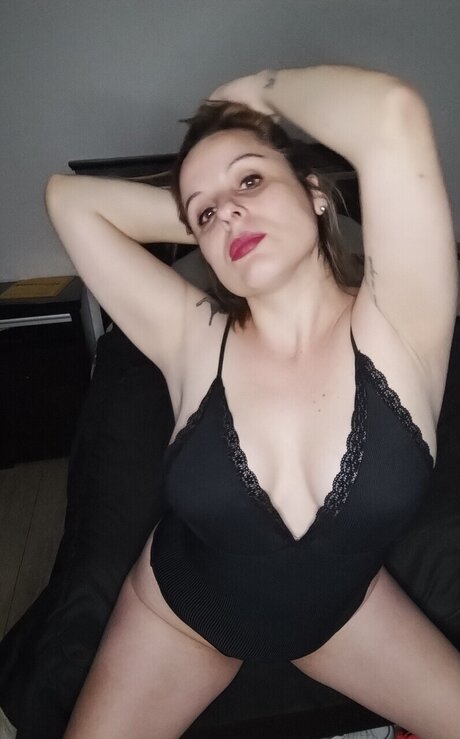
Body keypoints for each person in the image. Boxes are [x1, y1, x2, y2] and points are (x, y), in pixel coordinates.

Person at [45, 66, 459, 739]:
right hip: (181, 616)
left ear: (317, 193)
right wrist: (219, 217)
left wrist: (247, 91)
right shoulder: (191, 336)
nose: (229, 211)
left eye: (250, 181)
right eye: (205, 212)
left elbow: (391, 115)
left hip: (341, 616)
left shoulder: (403, 324)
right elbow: (68, 199)